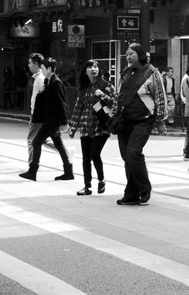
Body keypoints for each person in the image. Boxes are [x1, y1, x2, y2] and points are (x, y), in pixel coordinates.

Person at [115, 43, 166, 206]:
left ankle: (144, 189)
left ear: (140, 54)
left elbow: (160, 96)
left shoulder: (152, 72)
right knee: (127, 157)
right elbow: (119, 94)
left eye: (132, 53)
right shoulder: (126, 73)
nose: (128, 56)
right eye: (127, 54)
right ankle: (131, 194)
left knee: (133, 153)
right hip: (124, 120)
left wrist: (160, 120)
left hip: (143, 120)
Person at [20, 58, 74, 181]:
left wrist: (64, 122)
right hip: (49, 118)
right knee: (58, 144)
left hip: (53, 120)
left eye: (43, 68)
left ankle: (33, 171)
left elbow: (61, 104)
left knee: (36, 142)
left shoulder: (56, 83)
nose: (42, 70)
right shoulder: (48, 81)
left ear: (49, 69)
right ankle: (68, 172)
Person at [69, 60, 115, 195]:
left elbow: (116, 103)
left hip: (101, 126)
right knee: (86, 158)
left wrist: (103, 95)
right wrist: (73, 126)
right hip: (85, 125)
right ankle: (87, 187)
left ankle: (101, 180)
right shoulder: (84, 88)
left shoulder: (106, 85)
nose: (93, 69)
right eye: (90, 67)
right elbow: (78, 108)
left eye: (95, 67)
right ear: (85, 71)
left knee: (95, 154)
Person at [25, 53, 46, 165]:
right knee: (42, 138)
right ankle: (66, 152)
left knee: (31, 139)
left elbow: (43, 97)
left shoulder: (40, 78)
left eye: (30, 63)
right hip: (38, 113)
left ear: (36, 64)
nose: (28, 65)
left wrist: (36, 112)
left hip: (38, 114)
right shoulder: (38, 77)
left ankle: (32, 163)